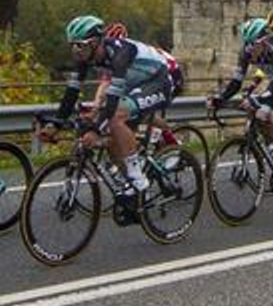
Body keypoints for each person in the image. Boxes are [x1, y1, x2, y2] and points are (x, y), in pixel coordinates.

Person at [46, 15, 178, 211]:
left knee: (115, 117)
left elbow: (113, 101)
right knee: (110, 136)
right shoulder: (85, 58)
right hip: (135, 84)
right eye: (73, 45)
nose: (76, 51)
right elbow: (71, 94)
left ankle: (139, 181)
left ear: (95, 42)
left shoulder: (120, 53)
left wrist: (95, 128)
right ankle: (134, 189)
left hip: (158, 81)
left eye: (80, 45)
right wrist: (55, 124)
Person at [209, 17, 273, 193]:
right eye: (246, 43)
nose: (250, 48)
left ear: (264, 40)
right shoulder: (246, 52)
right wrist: (220, 98)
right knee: (257, 114)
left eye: (253, 43)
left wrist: (259, 100)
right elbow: (236, 82)